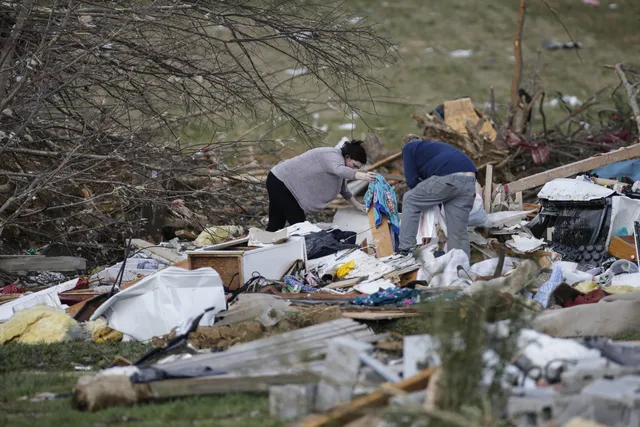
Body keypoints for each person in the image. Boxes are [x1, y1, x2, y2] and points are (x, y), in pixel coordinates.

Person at [266, 140, 377, 232]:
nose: (353, 169)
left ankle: (260, 249)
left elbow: (344, 190)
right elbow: (338, 170)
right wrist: (361, 176)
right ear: (347, 157)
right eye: (354, 165)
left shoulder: (341, 167)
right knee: (300, 226)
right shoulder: (333, 156)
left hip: (280, 182)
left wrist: (357, 205)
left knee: (275, 224)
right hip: (281, 181)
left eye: (357, 168)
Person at [399, 137, 477, 258]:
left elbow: (411, 181)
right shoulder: (436, 149)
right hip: (470, 179)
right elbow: (438, 193)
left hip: (448, 176)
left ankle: (406, 249)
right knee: (457, 232)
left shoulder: (409, 147)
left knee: (409, 199)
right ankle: (460, 270)